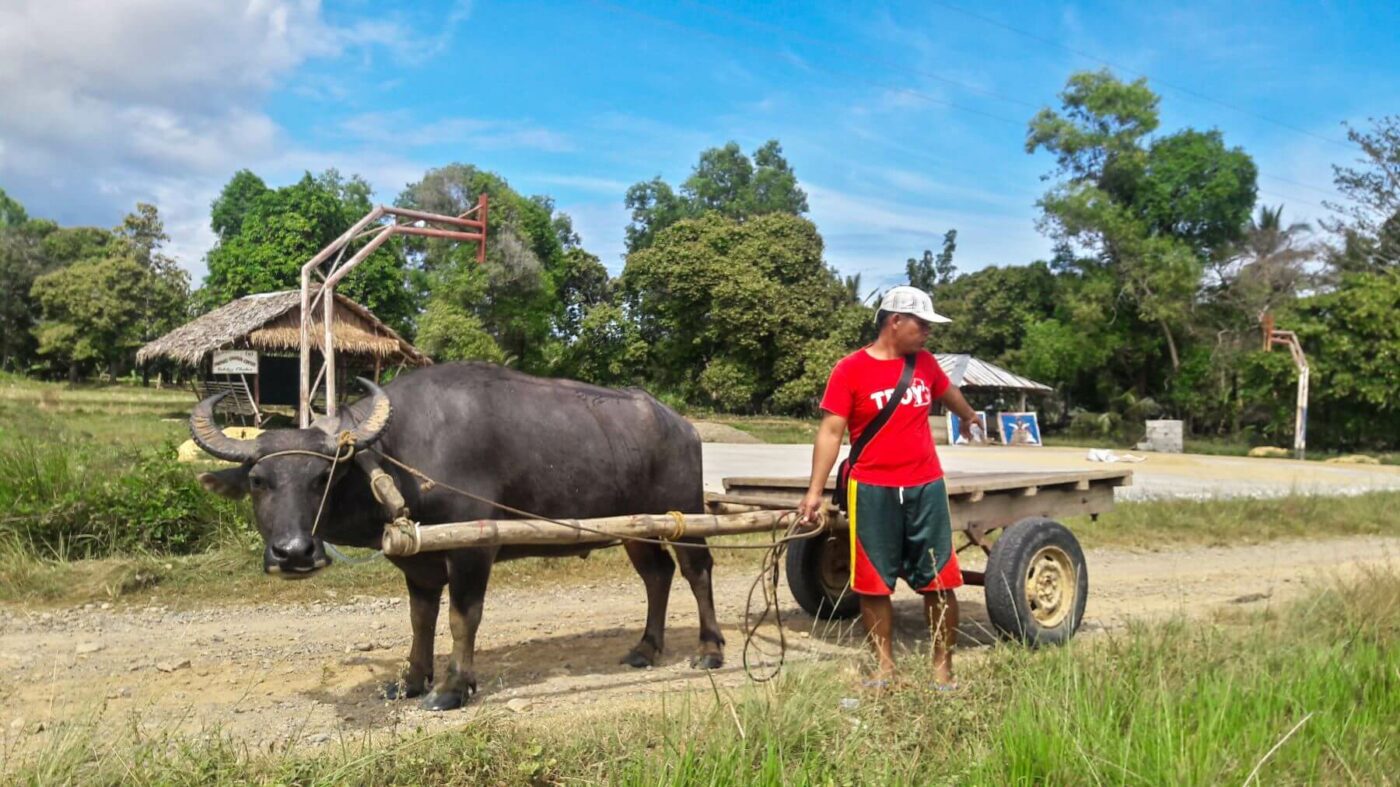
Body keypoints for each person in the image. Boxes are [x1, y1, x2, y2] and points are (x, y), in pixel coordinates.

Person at [796, 286, 978, 688]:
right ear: (895, 321)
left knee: (940, 579)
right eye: (922, 323)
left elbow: (949, 394)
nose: (928, 331)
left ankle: (942, 668)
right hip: (871, 489)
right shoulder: (850, 370)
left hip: (925, 485)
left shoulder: (925, 364)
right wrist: (814, 491)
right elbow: (830, 431)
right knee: (873, 581)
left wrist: (968, 416)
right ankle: (884, 666)